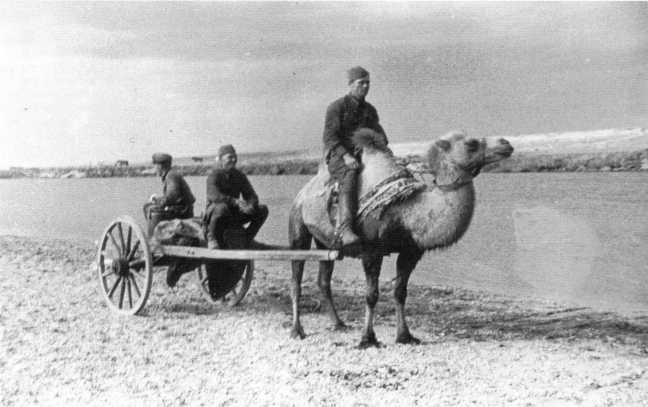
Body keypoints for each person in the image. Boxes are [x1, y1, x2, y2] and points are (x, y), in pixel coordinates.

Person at [322, 66, 388, 247]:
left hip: (365, 156)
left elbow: (379, 133)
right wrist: (346, 156)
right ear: (350, 84)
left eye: (368, 83)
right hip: (339, 156)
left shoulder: (370, 110)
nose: (365, 86)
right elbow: (329, 138)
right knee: (350, 175)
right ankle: (345, 228)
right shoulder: (337, 108)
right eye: (361, 83)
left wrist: (386, 151)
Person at [204, 144, 269, 249]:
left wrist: (251, 205)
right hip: (216, 215)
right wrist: (235, 202)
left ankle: (247, 238)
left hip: (233, 214)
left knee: (262, 209)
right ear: (220, 159)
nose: (234, 160)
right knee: (221, 207)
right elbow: (214, 196)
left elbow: (251, 195)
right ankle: (212, 238)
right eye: (230, 157)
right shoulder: (214, 175)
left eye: (235, 157)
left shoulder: (239, 175)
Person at [143, 153, 196, 237]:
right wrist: (158, 200)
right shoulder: (171, 174)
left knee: (151, 210)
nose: (155, 169)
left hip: (182, 211)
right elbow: (172, 196)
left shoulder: (171, 176)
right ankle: (159, 235)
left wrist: (158, 201)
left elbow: (172, 197)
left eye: (155, 166)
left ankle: (152, 240)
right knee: (148, 206)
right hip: (183, 208)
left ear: (160, 166)